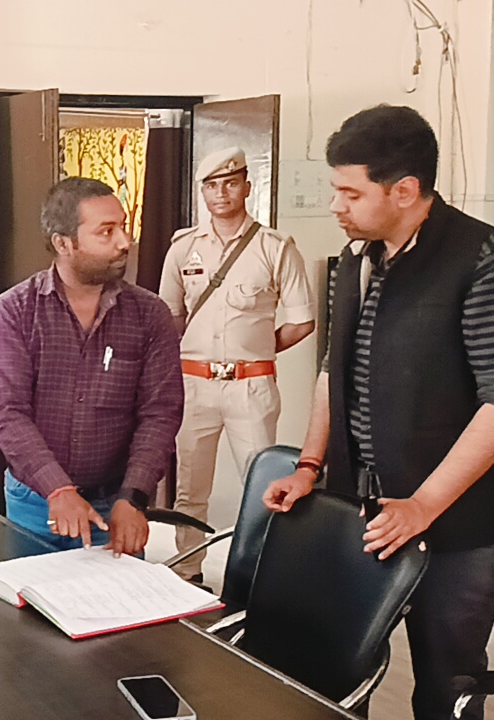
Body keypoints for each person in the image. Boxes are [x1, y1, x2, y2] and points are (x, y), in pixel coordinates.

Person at [262, 105, 494, 720]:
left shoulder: (486, 259)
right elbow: (334, 371)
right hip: (362, 510)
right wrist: (309, 466)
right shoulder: (358, 257)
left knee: (446, 684)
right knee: (337, 671)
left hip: (461, 528)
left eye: (350, 193)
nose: (335, 205)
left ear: (405, 190)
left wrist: (423, 505)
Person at [0, 177, 184, 555]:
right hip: (35, 505)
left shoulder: (149, 314)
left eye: (123, 227)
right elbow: (8, 412)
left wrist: (134, 496)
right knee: (29, 595)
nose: (124, 241)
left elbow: (160, 413)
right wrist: (57, 489)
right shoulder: (14, 312)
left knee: (117, 595)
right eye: (106, 231)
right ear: (63, 243)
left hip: (115, 506)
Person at [158, 146, 315, 582]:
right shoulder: (183, 248)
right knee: (190, 489)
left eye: (230, 183)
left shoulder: (274, 247)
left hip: (251, 385)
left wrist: (259, 350)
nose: (221, 193)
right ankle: (187, 573)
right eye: (211, 185)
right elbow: (169, 316)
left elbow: (302, 322)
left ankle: (257, 576)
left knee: (262, 485)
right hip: (194, 385)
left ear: (247, 187)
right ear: (202, 192)